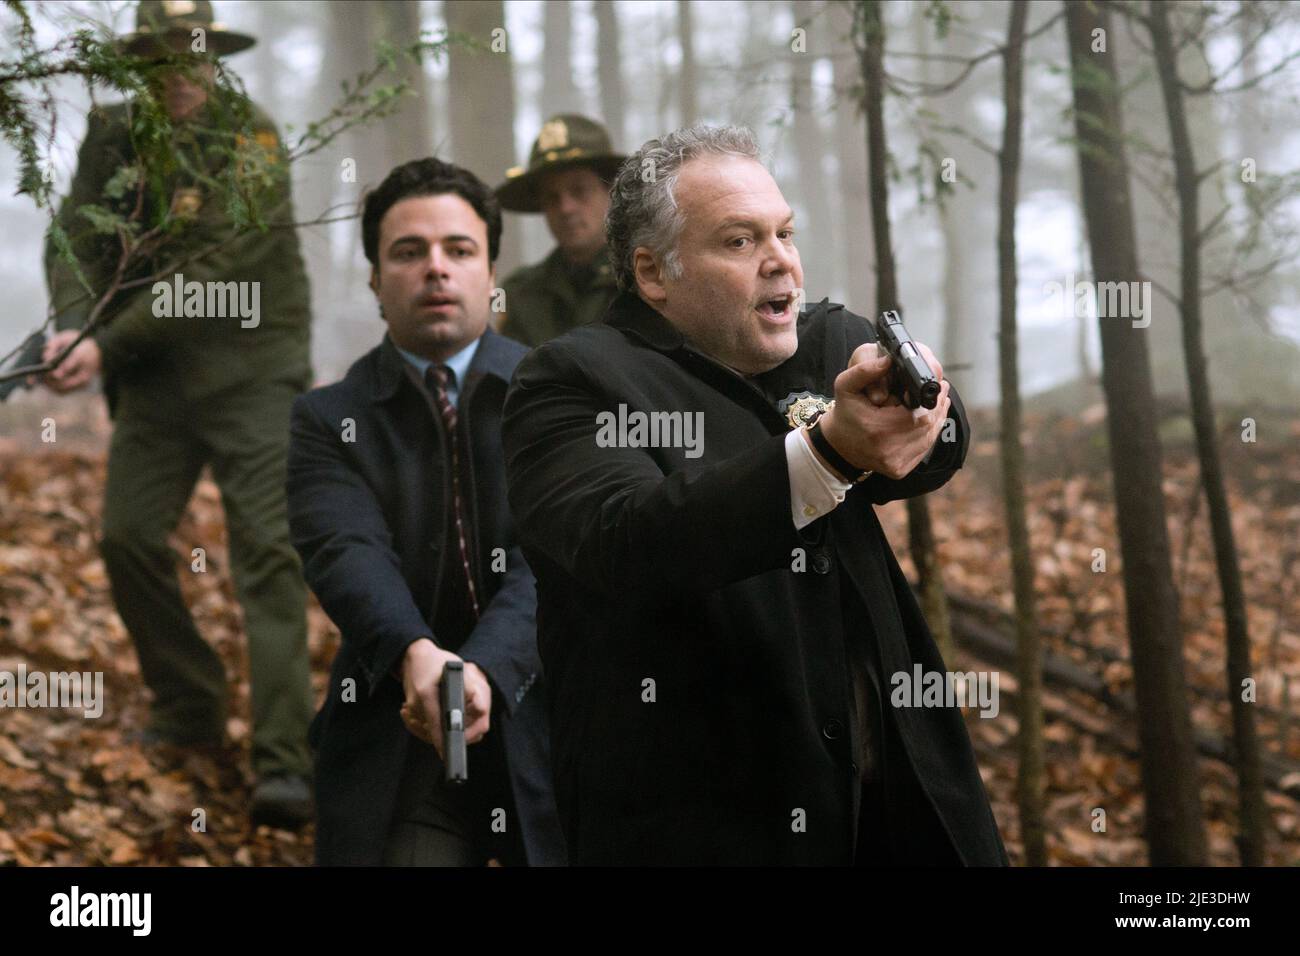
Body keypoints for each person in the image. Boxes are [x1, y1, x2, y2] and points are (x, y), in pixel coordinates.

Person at [501, 125, 1008, 865]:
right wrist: (826, 454)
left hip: (901, 810)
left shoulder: (828, 340)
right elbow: (626, 542)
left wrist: (927, 410)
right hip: (702, 831)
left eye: (785, 233)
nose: (782, 263)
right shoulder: (568, 382)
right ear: (652, 273)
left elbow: (938, 451)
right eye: (740, 241)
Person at [40, 0, 314, 827]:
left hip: (253, 368)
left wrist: (106, 343)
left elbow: (224, 268)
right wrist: (67, 324)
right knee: (126, 536)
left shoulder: (252, 135)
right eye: (158, 56)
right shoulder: (113, 134)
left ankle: (284, 762)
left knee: (266, 553)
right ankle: (190, 703)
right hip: (157, 381)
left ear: (212, 55)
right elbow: (69, 236)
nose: (177, 72)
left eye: (190, 53)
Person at [286, 158, 566, 866]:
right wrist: (415, 654)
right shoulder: (328, 418)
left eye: (459, 250)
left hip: (556, 717)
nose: (435, 269)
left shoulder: (558, 394)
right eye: (408, 253)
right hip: (398, 733)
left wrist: (486, 669)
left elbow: (555, 557)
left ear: (491, 271)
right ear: (377, 282)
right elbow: (345, 550)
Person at [493, 115, 624, 346]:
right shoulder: (520, 293)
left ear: (611, 192)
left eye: (579, 190)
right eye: (551, 197)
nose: (565, 208)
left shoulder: (644, 280)